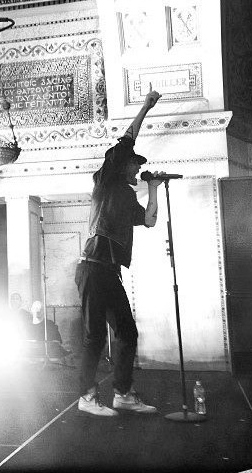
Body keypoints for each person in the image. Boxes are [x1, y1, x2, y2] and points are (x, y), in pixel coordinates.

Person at [75, 89, 163, 417]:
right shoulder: (107, 181)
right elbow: (127, 139)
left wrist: (153, 189)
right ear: (121, 163)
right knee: (95, 337)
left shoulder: (127, 196)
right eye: (134, 163)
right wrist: (145, 107)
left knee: (127, 332)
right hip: (93, 266)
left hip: (110, 271)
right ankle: (86, 396)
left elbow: (150, 220)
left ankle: (123, 393)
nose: (137, 168)